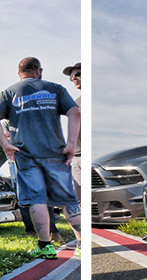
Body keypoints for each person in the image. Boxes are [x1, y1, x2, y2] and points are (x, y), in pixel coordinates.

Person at [0, 57, 82, 259]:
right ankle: (82, 244)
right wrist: (71, 145)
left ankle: (45, 246)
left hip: (26, 155)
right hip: (56, 152)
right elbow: (75, 112)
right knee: (68, 199)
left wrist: (5, 145)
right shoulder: (55, 88)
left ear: (19, 73)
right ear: (39, 71)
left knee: (37, 200)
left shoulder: (9, 92)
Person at [62, 62, 82, 197]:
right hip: (77, 156)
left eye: (78, 74)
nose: (74, 78)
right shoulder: (77, 101)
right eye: (71, 77)